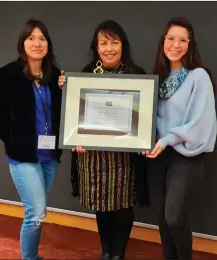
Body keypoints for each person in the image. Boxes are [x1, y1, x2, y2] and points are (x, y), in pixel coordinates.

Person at [58, 20, 150, 260]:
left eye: (114, 42)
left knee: (122, 206)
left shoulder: (136, 75)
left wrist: (142, 137)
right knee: (101, 205)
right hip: (94, 157)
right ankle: (106, 250)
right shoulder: (86, 74)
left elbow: (144, 116)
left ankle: (119, 252)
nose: (109, 48)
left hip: (124, 155)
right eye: (103, 43)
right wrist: (66, 90)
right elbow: (75, 115)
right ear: (96, 47)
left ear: (123, 45)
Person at [0, 19, 62, 260]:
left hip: (49, 156)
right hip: (23, 156)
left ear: (48, 44)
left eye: (42, 38)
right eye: (31, 38)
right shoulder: (8, 74)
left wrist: (66, 88)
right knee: (35, 211)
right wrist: (12, 139)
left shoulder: (54, 76)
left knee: (38, 212)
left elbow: (62, 113)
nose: (37, 43)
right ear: (23, 43)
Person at [142, 17, 217, 260]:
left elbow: (199, 123)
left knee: (174, 216)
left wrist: (165, 140)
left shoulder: (199, 77)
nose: (176, 44)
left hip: (186, 156)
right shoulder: (158, 77)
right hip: (158, 156)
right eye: (171, 38)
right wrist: (144, 139)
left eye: (183, 40)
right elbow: (149, 118)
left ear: (190, 44)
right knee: (162, 218)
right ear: (163, 41)